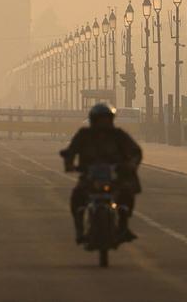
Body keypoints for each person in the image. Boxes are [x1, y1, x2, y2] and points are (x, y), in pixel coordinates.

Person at [60, 103, 143, 246]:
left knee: (127, 194)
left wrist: (131, 164)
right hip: (90, 176)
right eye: (100, 120)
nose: (103, 123)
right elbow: (71, 150)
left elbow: (135, 151)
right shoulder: (84, 135)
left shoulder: (118, 135)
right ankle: (80, 229)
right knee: (77, 197)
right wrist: (69, 163)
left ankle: (123, 225)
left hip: (113, 176)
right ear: (94, 120)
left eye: (106, 119)